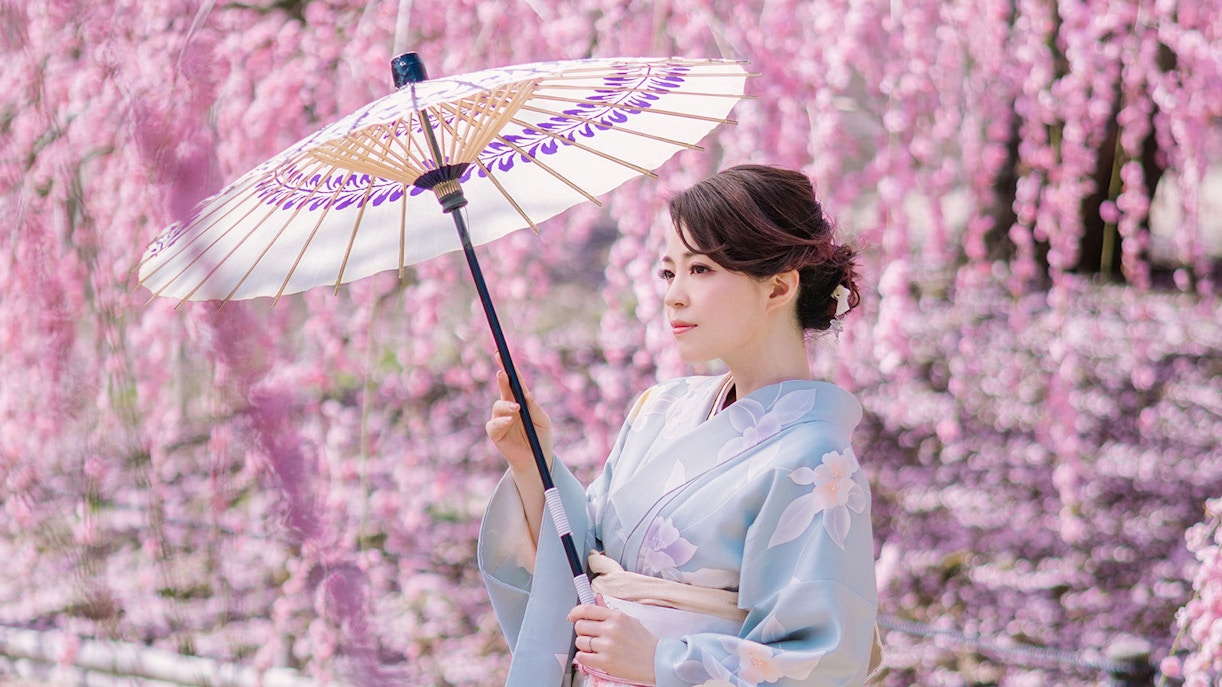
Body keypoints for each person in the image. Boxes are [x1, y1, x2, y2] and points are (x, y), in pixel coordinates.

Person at [478, 164, 880, 687]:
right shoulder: (658, 409)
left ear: (779, 288)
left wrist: (662, 663)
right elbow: (583, 557)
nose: (674, 296)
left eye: (701, 270)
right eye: (669, 272)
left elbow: (822, 662)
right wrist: (535, 469)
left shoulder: (816, 460)